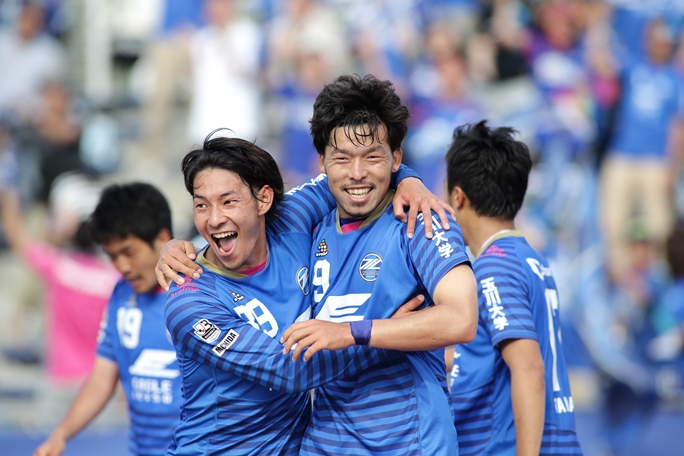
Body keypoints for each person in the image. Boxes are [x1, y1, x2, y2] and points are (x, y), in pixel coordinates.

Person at [162, 132, 447, 455]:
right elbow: (291, 371)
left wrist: (410, 180)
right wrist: (385, 335)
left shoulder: (292, 218)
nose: (214, 219)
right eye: (201, 205)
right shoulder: (190, 300)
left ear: (263, 200)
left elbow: (352, 175)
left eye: (228, 201)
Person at [280, 74, 478, 455]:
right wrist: (176, 249)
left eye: (372, 157)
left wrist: (352, 332)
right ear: (322, 163)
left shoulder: (421, 221)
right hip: (325, 444)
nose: (357, 173)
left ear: (396, 159)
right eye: (342, 158)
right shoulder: (310, 232)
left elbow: (462, 318)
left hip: (410, 445)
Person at [443, 120, 582, 455]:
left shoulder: (494, 267)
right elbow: (486, 354)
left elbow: (528, 367)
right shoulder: (530, 259)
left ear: (458, 197)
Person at [33, 183, 183, 456]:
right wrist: (60, 436)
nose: (122, 266)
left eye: (129, 252)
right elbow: (102, 379)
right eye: (112, 256)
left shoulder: (196, 296)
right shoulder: (121, 295)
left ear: (162, 240)